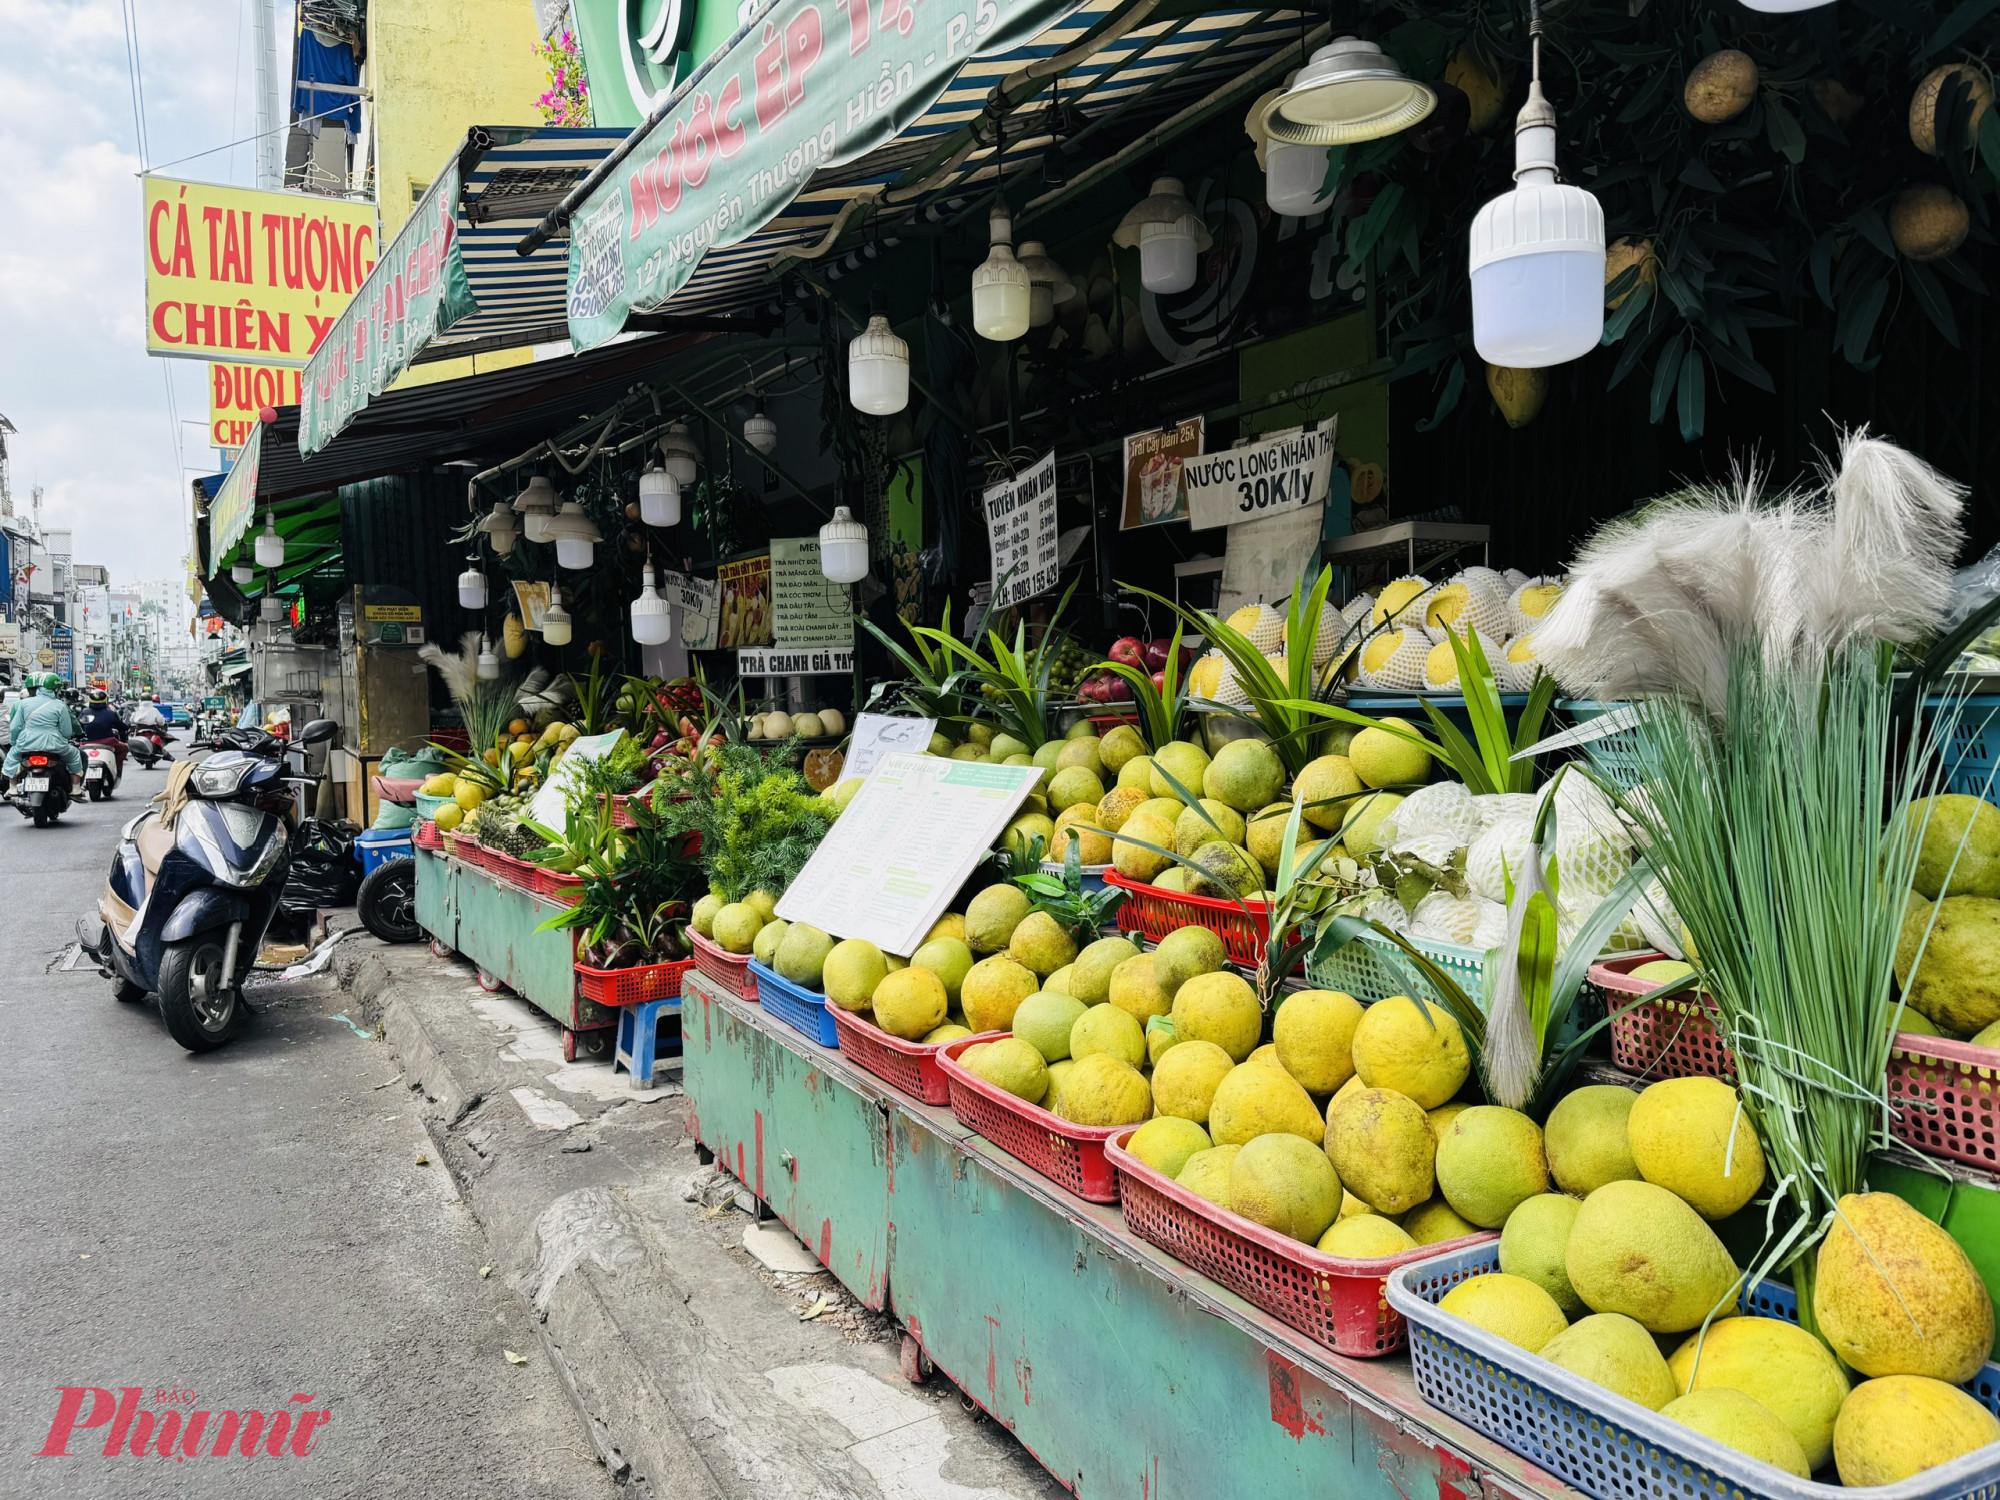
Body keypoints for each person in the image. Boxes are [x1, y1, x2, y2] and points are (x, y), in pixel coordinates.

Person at [3, 675, 84, 789]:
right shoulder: (60, 705)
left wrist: (14, 743)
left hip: (26, 743)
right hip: (55, 744)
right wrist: (63, 739)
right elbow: (67, 732)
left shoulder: (22, 704)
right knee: (75, 755)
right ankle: (76, 788)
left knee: (12, 757)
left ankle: (12, 787)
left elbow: (15, 728)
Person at [79, 690, 130, 773]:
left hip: (87, 742)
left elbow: (79, 725)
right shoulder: (110, 713)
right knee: (124, 748)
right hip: (107, 742)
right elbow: (122, 726)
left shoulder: (84, 712)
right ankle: (117, 769)